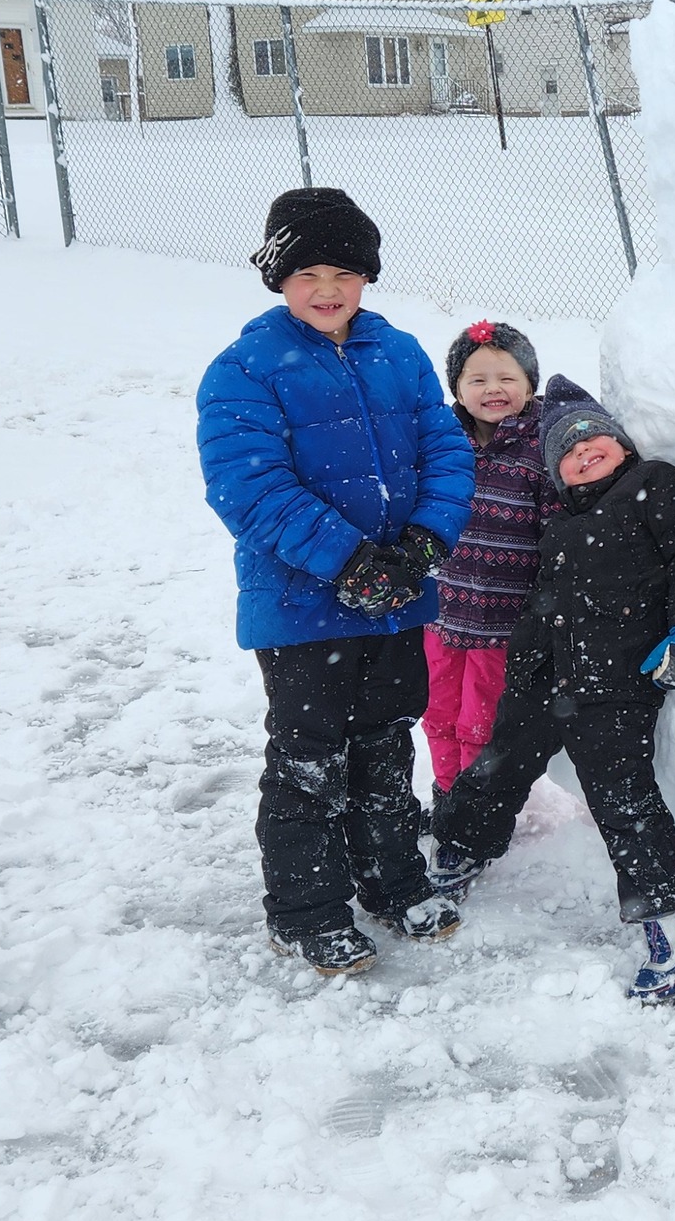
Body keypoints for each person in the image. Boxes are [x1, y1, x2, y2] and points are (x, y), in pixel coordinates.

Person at [197, 188, 476, 975]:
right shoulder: (245, 369)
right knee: (309, 759)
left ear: (366, 279)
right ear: (278, 276)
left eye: (345, 272)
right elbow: (249, 485)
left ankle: (391, 879)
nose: (328, 289)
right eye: (309, 271)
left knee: (386, 746)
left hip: (396, 605)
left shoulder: (401, 354)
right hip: (301, 606)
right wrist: (348, 561)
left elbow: (446, 451)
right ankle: (305, 907)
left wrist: (423, 542)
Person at [431, 376, 675, 1003]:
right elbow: (542, 601)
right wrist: (526, 662)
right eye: (567, 451)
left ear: (622, 445)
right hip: (546, 674)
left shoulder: (653, 485)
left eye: (595, 440)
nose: (584, 451)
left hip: (617, 680)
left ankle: (670, 915)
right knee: (496, 766)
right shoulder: (560, 526)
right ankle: (457, 846)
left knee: (622, 797)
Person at [423, 319, 558, 812]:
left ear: (530, 383)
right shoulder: (441, 442)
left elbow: (555, 531)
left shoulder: (544, 445)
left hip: (506, 622)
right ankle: (445, 793)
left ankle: (473, 813)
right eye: (477, 380)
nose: (493, 390)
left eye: (507, 378)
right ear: (457, 388)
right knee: (437, 713)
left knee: (482, 722)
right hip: (441, 612)